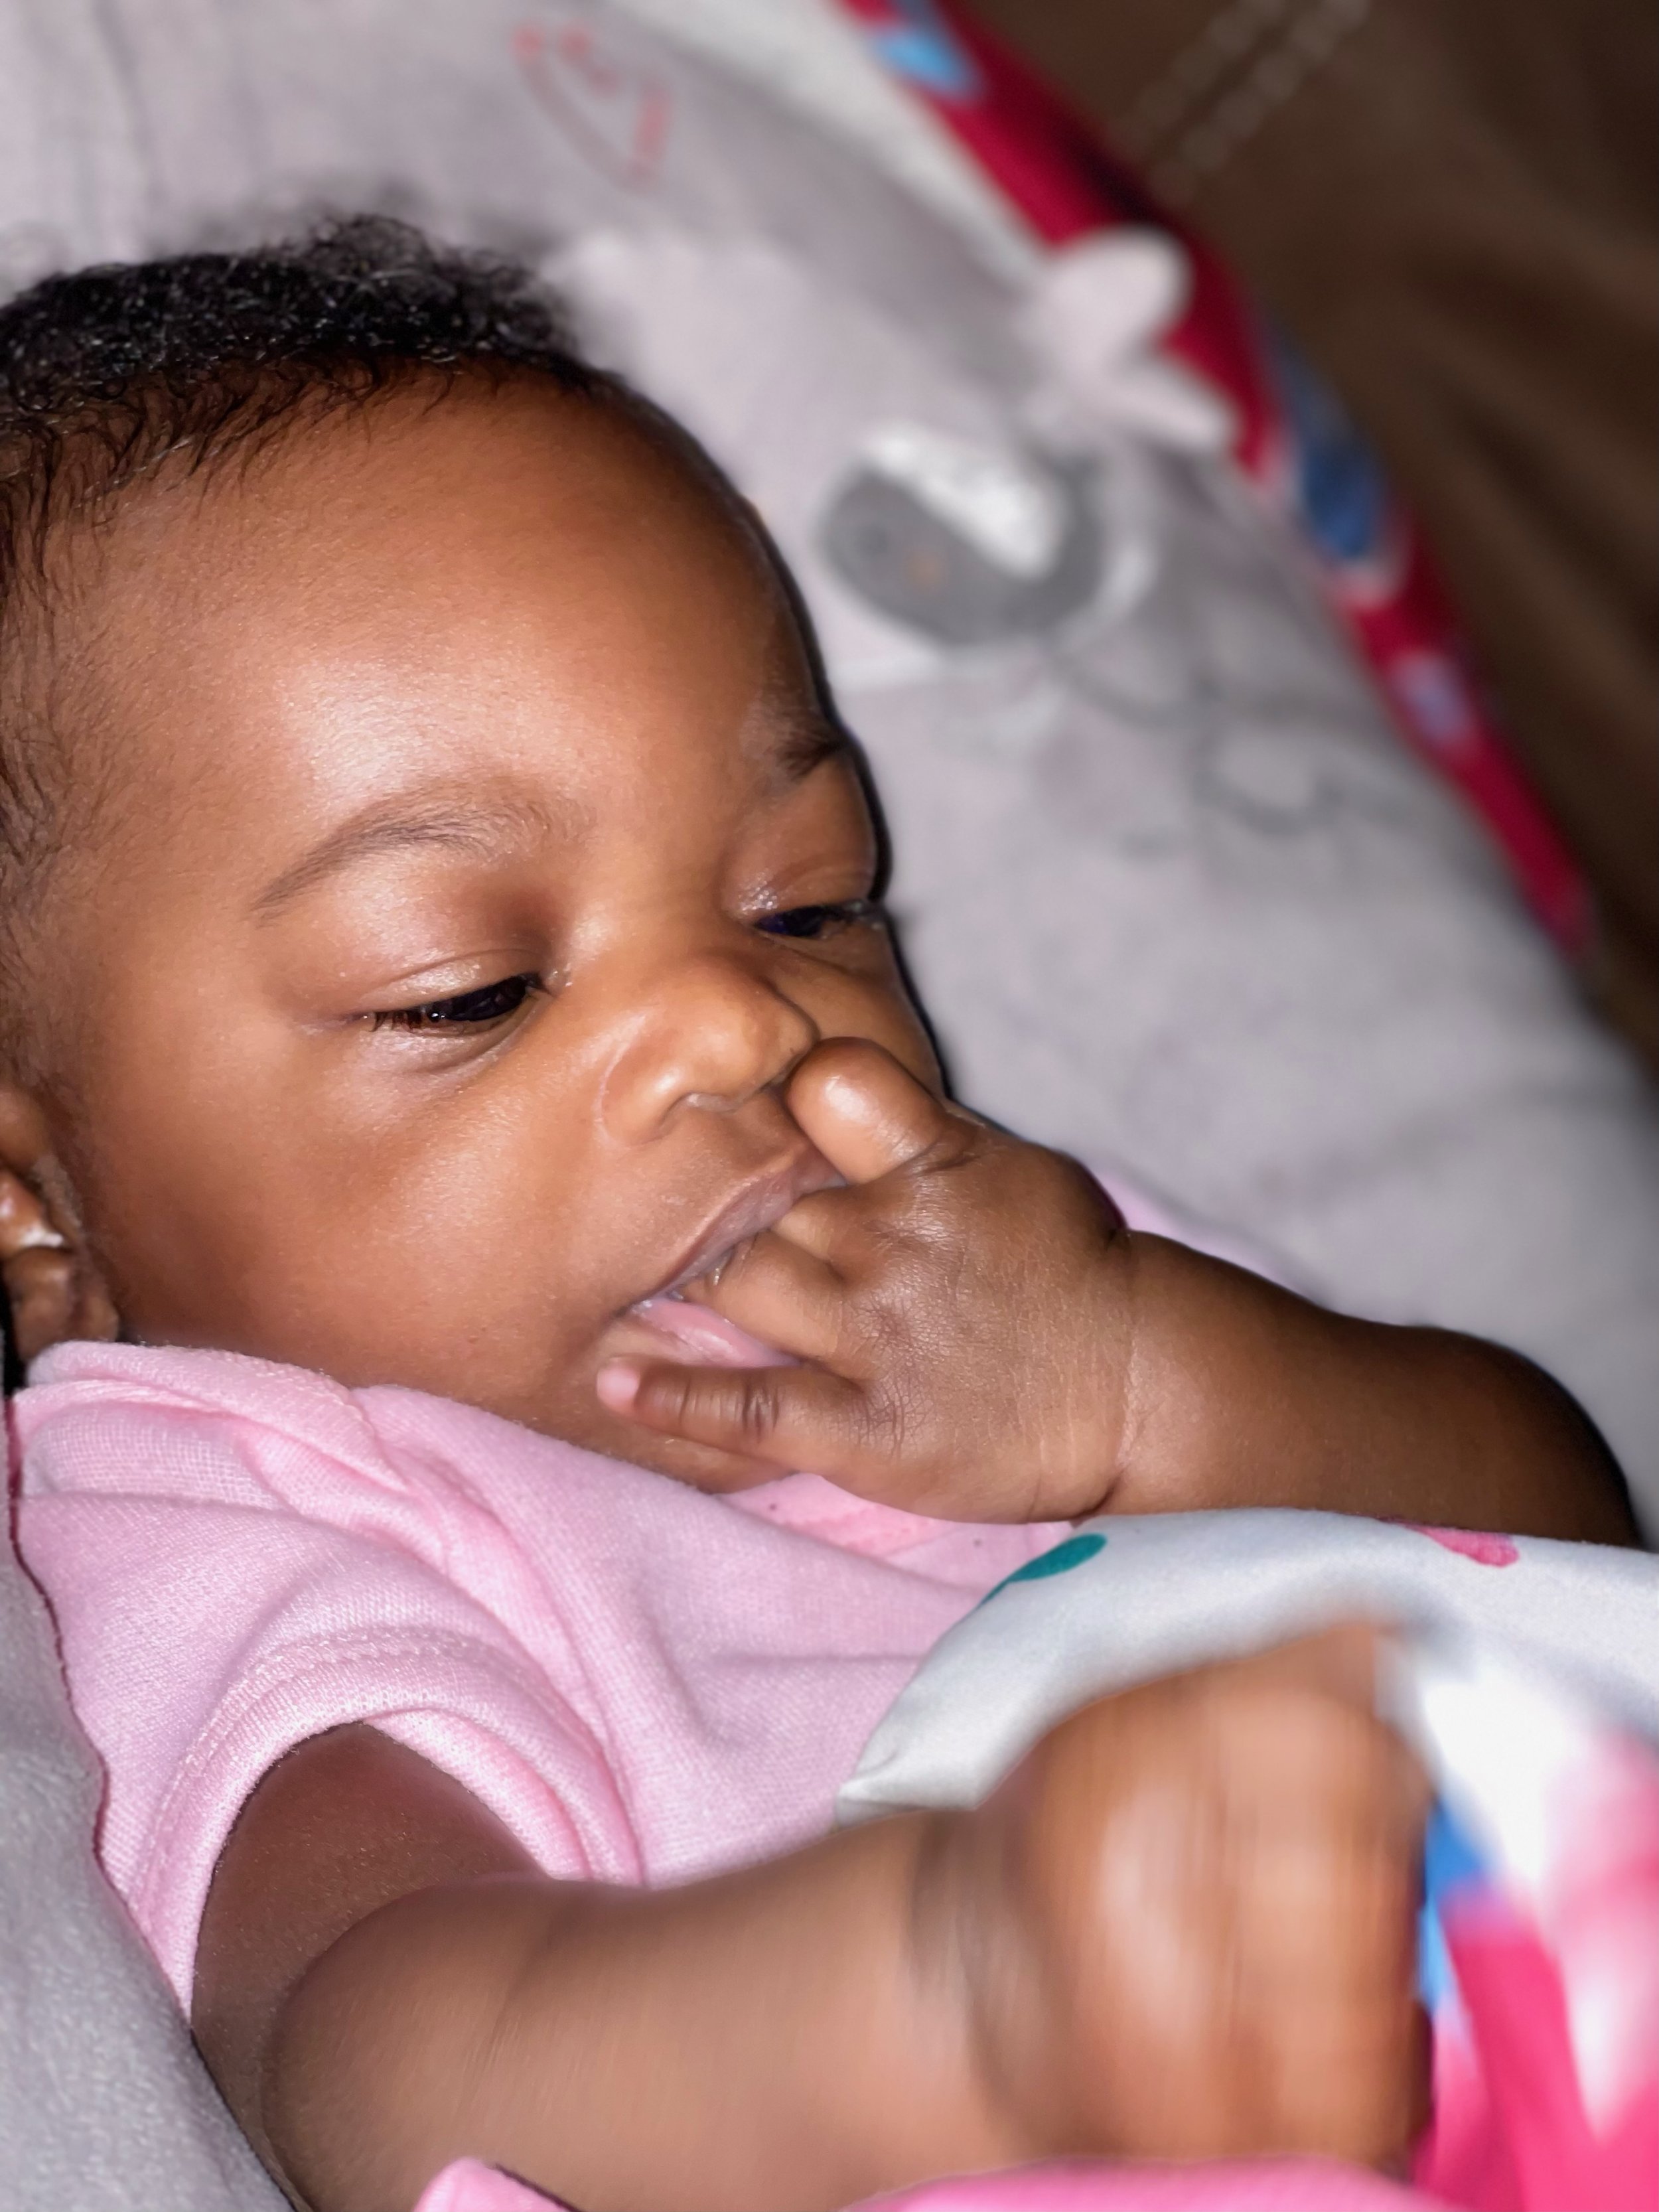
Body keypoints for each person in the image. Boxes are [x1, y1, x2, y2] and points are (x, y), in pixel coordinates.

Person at [0, 219, 1633, 2212]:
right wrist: (944, 2002)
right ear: (38, 1211)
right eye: (470, 988)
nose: (741, 1015)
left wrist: (1140, 1382)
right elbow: (365, 2044)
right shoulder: (268, 1507)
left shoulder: (1001, 1270)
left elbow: (1569, 1540)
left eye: (808, 900)